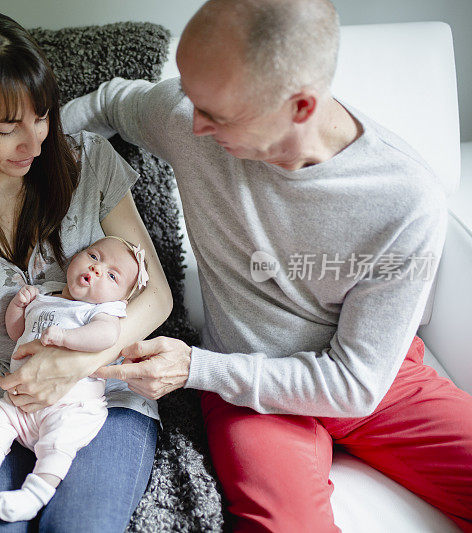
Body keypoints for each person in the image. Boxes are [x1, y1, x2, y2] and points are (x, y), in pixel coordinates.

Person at [61, 0, 472, 530]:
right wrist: (19, 176)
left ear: (299, 107)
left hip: (370, 379)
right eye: (191, 95)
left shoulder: (404, 200)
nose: (195, 124)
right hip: (248, 390)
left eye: (217, 114)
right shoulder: (186, 115)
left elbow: (355, 383)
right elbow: (109, 102)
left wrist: (194, 367)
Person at [0, 10, 172, 532]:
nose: (34, 142)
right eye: (7, 128)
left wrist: (78, 365)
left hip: (100, 399)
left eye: (41, 116)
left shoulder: (88, 164)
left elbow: (156, 297)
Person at [0, 236, 149, 523]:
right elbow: (17, 334)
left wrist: (66, 337)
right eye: (94, 256)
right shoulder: (45, 297)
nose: (97, 269)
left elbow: (106, 337)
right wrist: (18, 307)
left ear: (121, 300)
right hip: (20, 402)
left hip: (70, 408)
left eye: (112, 276)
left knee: (58, 445)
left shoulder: (102, 311)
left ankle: (34, 495)